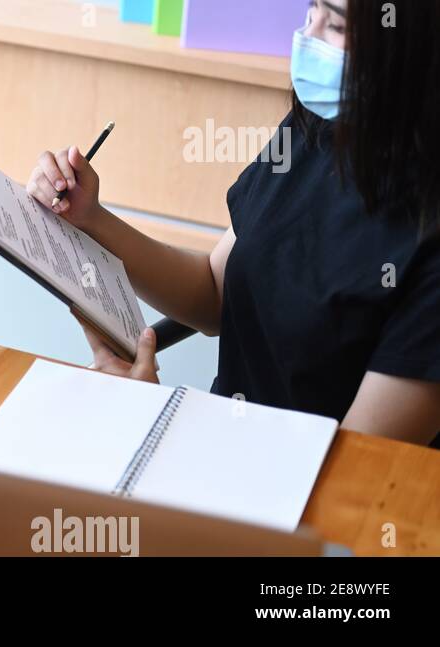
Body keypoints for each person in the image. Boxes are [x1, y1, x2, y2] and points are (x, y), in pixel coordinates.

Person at [26, 0, 440, 446]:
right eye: (311, 9)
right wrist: (91, 219)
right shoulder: (317, 129)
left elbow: (352, 481)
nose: (306, 36)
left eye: (335, 23)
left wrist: (156, 421)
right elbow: (213, 293)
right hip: (217, 446)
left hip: (287, 496)